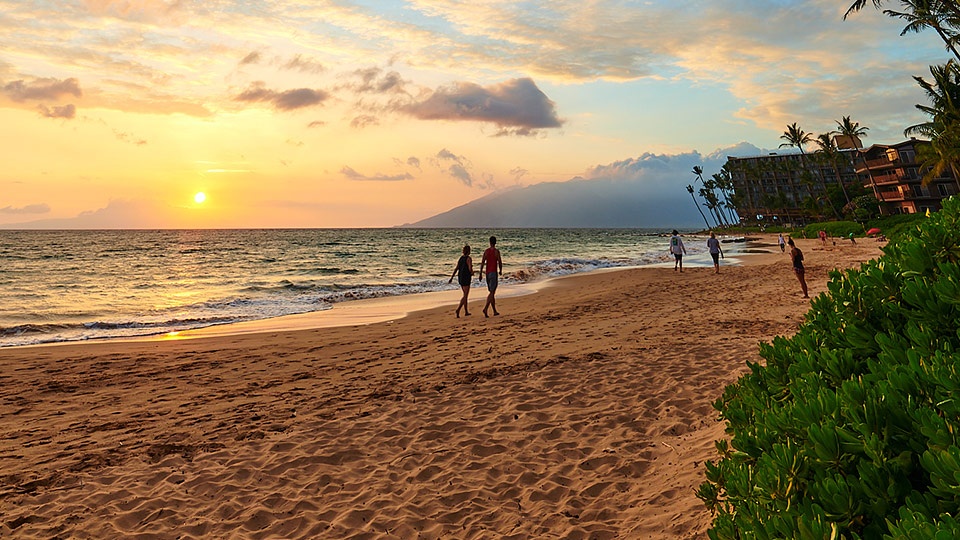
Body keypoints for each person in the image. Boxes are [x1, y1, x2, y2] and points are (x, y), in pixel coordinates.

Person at [478, 236, 502, 317]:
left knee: (492, 292)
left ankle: (494, 311)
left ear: (490, 242)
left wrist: (480, 273)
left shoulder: (486, 251)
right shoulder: (496, 251)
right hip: (493, 273)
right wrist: (500, 270)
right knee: (492, 292)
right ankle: (485, 308)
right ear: (495, 242)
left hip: (487, 273)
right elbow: (500, 262)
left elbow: (482, 263)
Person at [448, 244, 473, 318]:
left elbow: (456, 268)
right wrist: (472, 272)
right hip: (466, 277)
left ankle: (466, 311)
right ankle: (458, 309)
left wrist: (452, 277)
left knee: (465, 294)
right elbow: (469, 268)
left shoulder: (461, 258)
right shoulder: (469, 258)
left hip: (460, 277)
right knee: (465, 295)